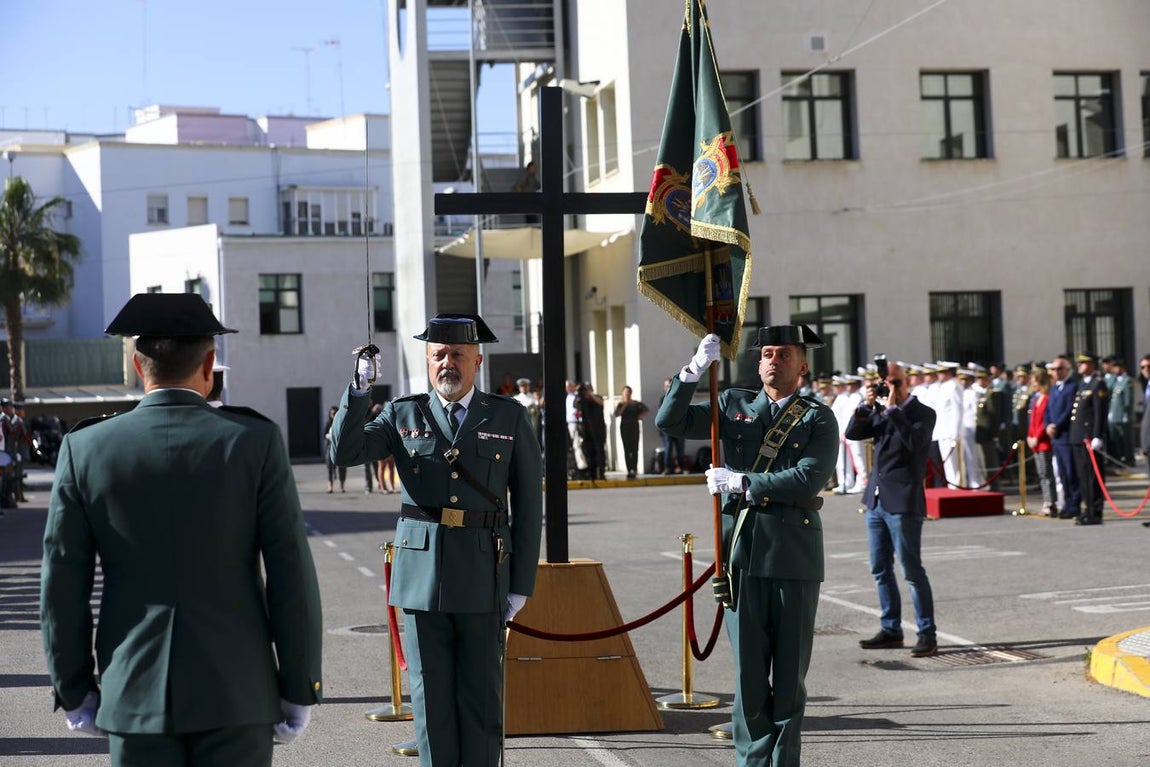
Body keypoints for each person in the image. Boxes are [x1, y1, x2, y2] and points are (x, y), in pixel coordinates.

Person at [39, 293, 323, 767]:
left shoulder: (85, 448)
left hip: (133, 694)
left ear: (136, 366)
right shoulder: (254, 441)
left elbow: (62, 583)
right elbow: (291, 572)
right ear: (210, 364)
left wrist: (74, 688)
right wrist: (299, 685)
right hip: (238, 694)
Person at [330, 313, 543, 767]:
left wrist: (521, 582)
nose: (448, 362)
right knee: (430, 702)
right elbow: (342, 453)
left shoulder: (507, 415)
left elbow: (528, 507)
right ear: (428, 360)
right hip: (421, 578)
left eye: (458, 355)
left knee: (482, 698)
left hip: (485, 573)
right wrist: (358, 391)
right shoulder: (402, 413)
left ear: (477, 361)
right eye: (439, 355)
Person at [656, 325, 837, 767]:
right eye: (767, 353)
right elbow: (670, 421)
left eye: (785, 354)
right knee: (749, 680)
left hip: (794, 556)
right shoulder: (731, 403)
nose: (774, 360)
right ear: (758, 363)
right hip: (740, 556)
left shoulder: (818, 417)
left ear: (802, 364)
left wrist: (743, 481)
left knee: (790, 680)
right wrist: (695, 369)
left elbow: (810, 477)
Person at [846, 360, 939, 658]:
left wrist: (893, 408)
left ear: (907, 382)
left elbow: (915, 442)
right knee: (879, 568)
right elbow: (852, 433)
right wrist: (866, 403)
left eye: (896, 382)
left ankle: (927, 633)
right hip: (876, 501)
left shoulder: (922, 413)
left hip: (903, 503)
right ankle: (891, 628)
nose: (891, 388)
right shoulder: (880, 411)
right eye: (887, 383)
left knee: (912, 570)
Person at [1069, 352, 1108, 525]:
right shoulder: (1081, 384)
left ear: (1092, 365)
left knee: (1092, 476)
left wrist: (1097, 436)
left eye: (1083, 363)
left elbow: (1099, 412)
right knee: (1082, 476)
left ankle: (1095, 511)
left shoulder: (1097, 383)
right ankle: (1087, 508)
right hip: (1078, 436)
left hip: (1089, 437)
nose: (1079, 366)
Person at [1044, 354, 1081, 519]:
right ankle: (1066, 503)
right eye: (1054, 369)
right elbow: (1048, 410)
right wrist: (1048, 425)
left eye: (1060, 369)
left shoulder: (1072, 387)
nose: (1056, 372)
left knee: (1071, 471)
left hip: (1065, 434)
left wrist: (1057, 425)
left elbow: (1069, 411)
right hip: (1055, 437)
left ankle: (1074, 504)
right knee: (1062, 473)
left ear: (1067, 370)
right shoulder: (1054, 388)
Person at [1026, 367, 1056, 515]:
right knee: (1041, 474)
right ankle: (1046, 500)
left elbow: (1044, 421)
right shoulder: (1037, 398)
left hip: (1043, 442)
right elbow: (1032, 421)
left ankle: (1050, 502)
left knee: (1047, 474)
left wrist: (1036, 437)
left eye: (1035, 382)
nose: (1033, 385)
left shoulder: (1047, 398)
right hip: (1035, 442)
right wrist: (1029, 436)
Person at [614, 385, 649, 479]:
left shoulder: (636, 403)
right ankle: (629, 469)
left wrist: (639, 416)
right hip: (625, 426)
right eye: (625, 392)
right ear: (622, 393)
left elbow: (646, 410)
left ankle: (634, 468)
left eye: (628, 392)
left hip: (634, 425)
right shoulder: (620, 404)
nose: (627, 394)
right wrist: (625, 403)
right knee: (627, 448)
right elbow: (617, 414)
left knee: (634, 448)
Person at [658, 377, 686, 474]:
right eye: (666, 386)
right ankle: (667, 468)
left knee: (680, 449)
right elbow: (661, 415)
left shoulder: (679, 397)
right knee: (668, 449)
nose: (668, 387)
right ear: (664, 388)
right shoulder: (663, 399)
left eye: (670, 385)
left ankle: (682, 468)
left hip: (678, 427)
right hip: (667, 429)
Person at [324, 405, 347, 493]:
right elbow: (324, 435)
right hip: (331, 447)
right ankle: (330, 486)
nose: (333, 415)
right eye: (332, 413)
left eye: (335, 413)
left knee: (342, 467)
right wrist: (329, 436)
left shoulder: (342, 423)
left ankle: (342, 486)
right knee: (330, 467)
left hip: (341, 448)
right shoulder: (328, 423)